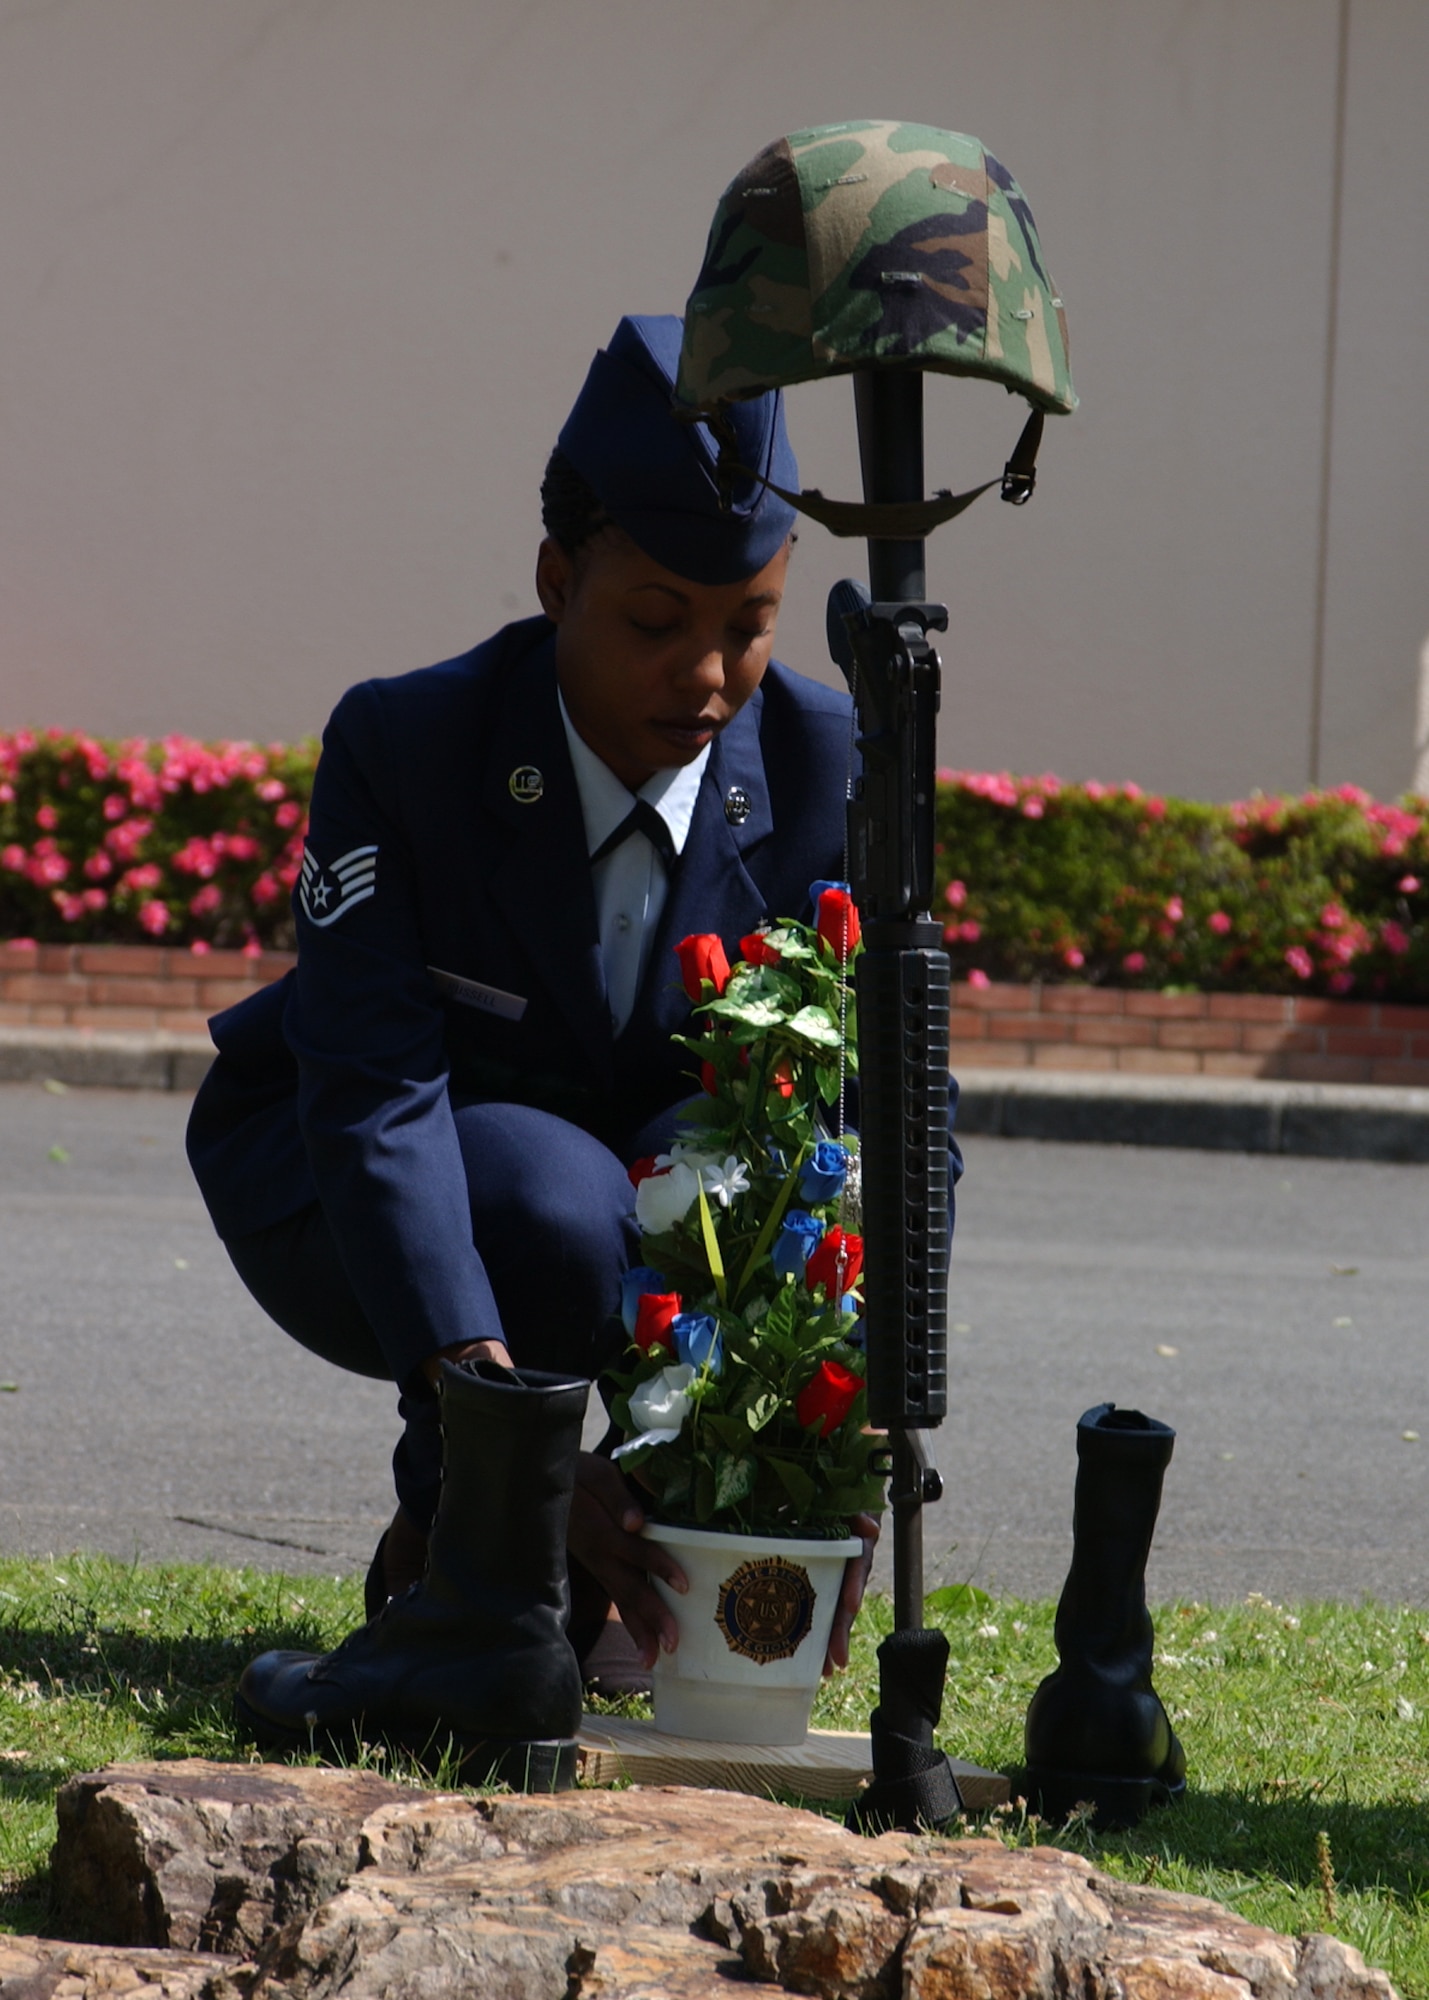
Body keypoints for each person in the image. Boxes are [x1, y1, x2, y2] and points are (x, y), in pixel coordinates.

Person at [185, 313, 893, 1787]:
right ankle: (475, 1572)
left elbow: (892, 1113)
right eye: (654, 620)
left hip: (635, 1213)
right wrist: (512, 1442)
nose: (706, 674)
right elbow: (376, 1097)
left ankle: (573, 1585)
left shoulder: (829, 766)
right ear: (555, 580)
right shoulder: (411, 742)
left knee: (657, 1192)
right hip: (349, 1176)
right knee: (552, 1192)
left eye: (748, 623)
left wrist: (840, 1438)